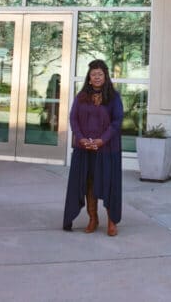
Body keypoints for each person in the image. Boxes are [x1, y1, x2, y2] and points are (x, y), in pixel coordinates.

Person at [62, 59, 124, 236]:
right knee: (89, 183)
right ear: (89, 78)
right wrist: (81, 139)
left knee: (108, 183)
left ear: (105, 76)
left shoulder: (114, 97)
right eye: (93, 74)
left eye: (100, 74)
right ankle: (93, 218)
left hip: (107, 149)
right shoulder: (81, 97)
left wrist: (101, 140)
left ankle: (112, 222)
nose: (97, 77)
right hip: (85, 149)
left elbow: (117, 121)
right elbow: (73, 118)